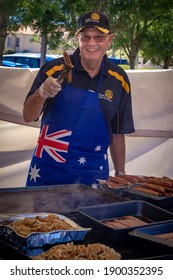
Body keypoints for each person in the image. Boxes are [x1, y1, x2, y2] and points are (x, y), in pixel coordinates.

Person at [23, 11, 135, 188]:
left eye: (99, 37)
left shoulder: (119, 79)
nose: (91, 43)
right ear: (77, 38)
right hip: (48, 173)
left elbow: (117, 131)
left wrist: (121, 174)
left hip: (93, 176)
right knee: (40, 217)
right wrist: (42, 93)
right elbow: (28, 115)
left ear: (109, 40)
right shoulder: (54, 70)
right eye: (85, 37)